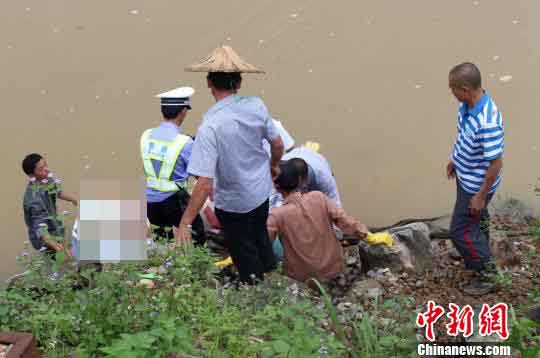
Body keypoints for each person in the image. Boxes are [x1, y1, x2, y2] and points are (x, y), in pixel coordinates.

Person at [177, 46, 284, 284]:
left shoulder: (210, 126)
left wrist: (185, 222)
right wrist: (274, 166)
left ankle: (256, 288)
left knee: (243, 248)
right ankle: (270, 269)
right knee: (259, 233)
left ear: (209, 83)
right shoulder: (257, 105)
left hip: (234, 202)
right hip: (260, 190)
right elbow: (277, 144)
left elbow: (204, 184)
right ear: (239, 82)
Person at [447, 62, 505, 296]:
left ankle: (488, 272)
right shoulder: (468, 107)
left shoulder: (487, 122)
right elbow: (465, 137)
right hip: (467, 175)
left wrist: (480, 195)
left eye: (453, 89)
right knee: (476, 220)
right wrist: (455, 160)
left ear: (465, 88)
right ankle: (479, 245)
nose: (451, 93)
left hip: (477, 185)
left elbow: (496, 163)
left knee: (459, 231)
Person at [267, 161, 367, 283]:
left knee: (274, 246)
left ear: (276, 187)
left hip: (301, 276)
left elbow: (265, 243)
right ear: (300, 180)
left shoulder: (276, 215)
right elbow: (345, 221)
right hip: (334, 268)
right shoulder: (318, 197)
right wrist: (365, 233)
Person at [140, 86, 205, 243]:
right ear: (183, 111)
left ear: (163, 111)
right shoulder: (185, 143)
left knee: (164, 241)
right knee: (196, 238)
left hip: (149, 203)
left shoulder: (146, 135)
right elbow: (202, 177)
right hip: (174, 203)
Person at [22, 153, 78, 257]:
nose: (47, 170)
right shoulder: (34, 200)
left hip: (54, 224)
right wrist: (57, 247)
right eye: (41, 169)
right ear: (31, 176)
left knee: (68, 252)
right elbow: (41, 231)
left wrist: (75, 200)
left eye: (46, 165)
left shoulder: (46, 178)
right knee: (63, 261)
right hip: (45, 239)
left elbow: (58, 192)